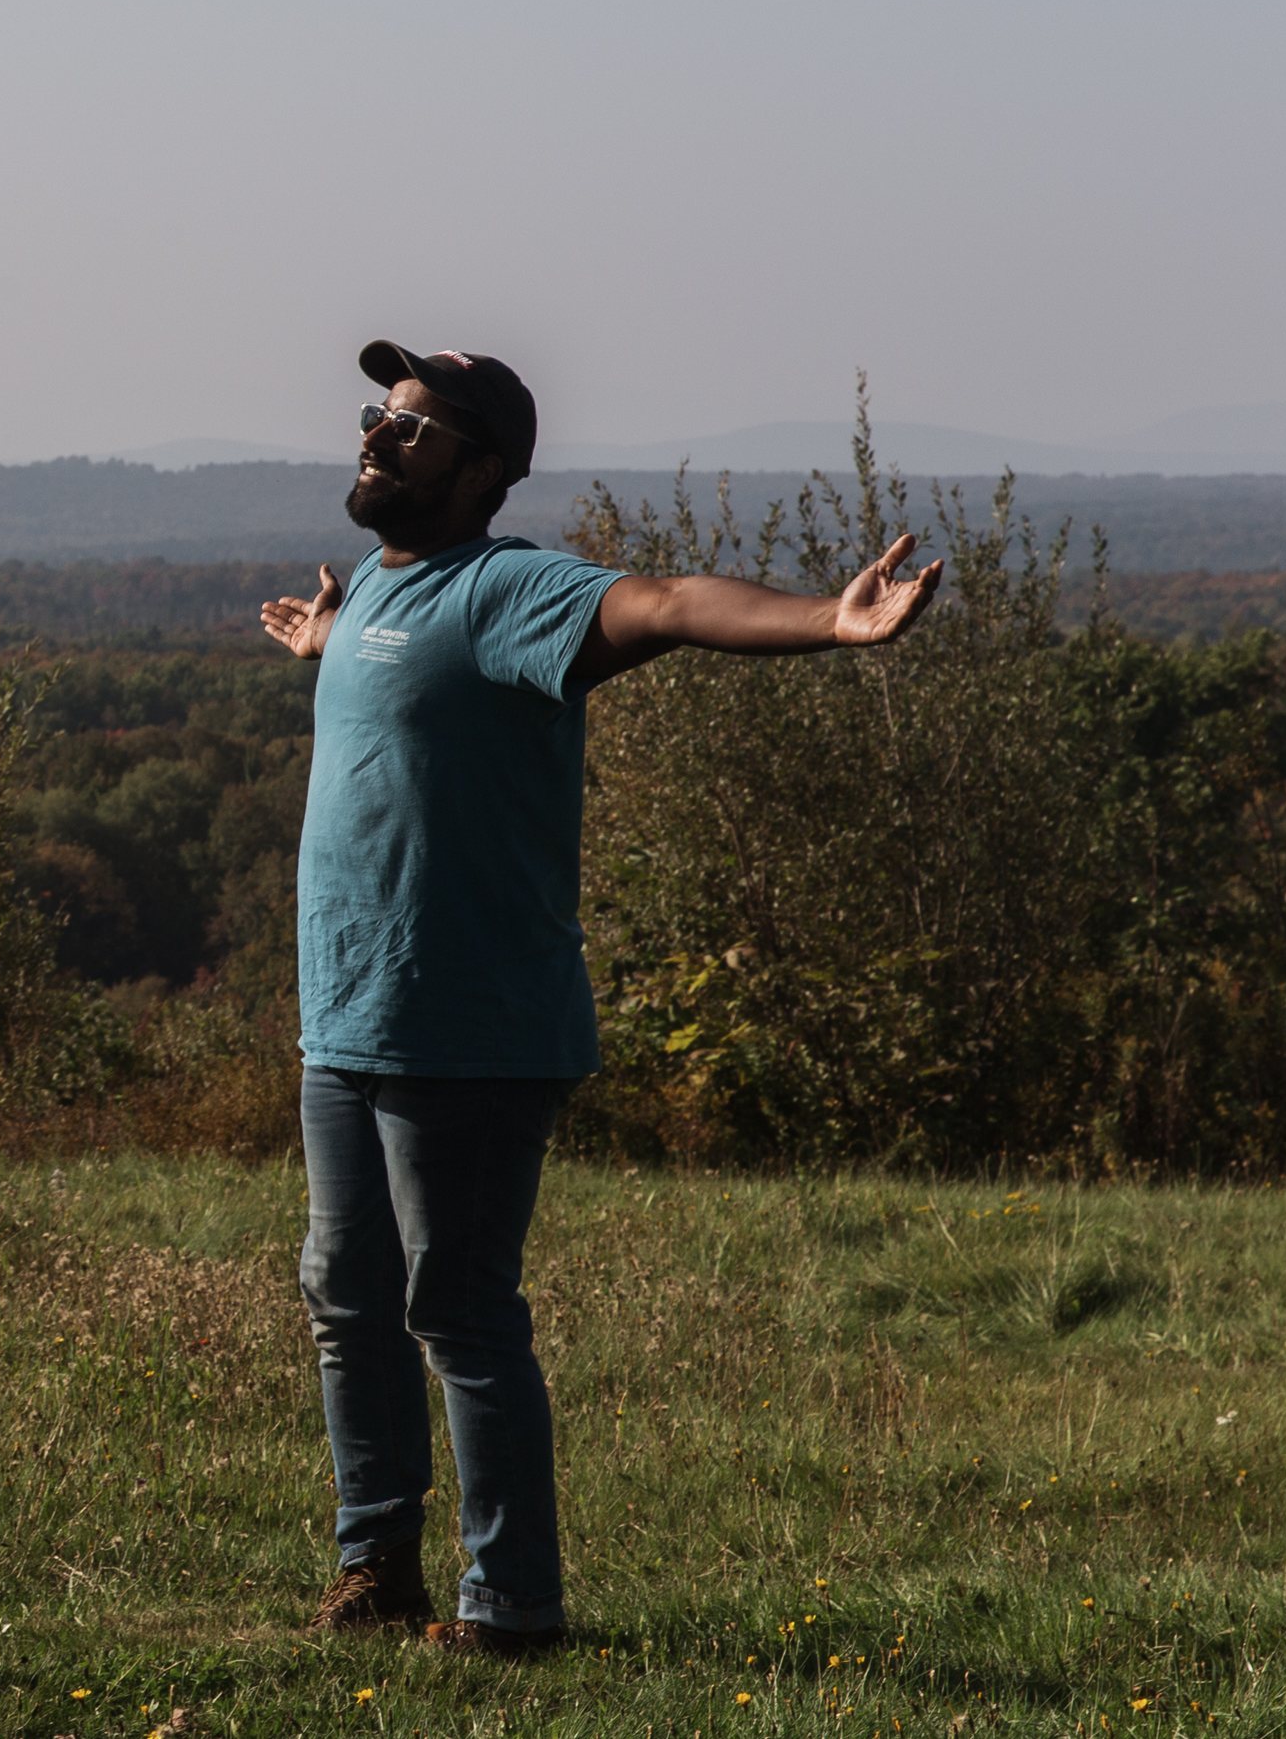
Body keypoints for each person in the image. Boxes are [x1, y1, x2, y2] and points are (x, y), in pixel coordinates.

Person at [258, 340, 942, 1658]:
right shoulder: (389, 594)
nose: (380, 438)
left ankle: (510, 1607)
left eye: (415, 428)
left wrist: (828, 617)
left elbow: (668, 601)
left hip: (467, 1028)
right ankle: (372, 1567)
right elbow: (400, 676)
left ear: (486, 468)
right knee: (346, 1295)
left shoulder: (511, 591)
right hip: (346, 1022)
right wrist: (326, 638)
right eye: (377, 418)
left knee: (455, 1311)